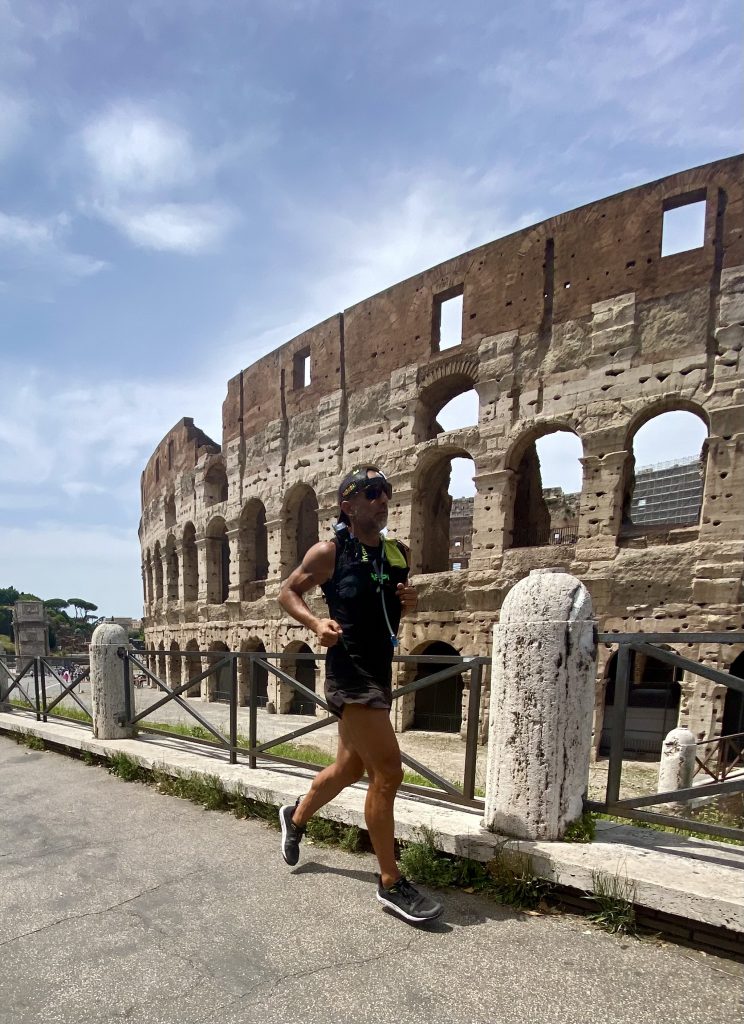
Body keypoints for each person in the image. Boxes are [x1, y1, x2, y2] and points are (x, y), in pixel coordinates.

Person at [277, 466, 443, 923]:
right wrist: (314, 624)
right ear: (348, 506)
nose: (383, 499)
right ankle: (390, 882)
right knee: (388, 772)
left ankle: (295, 816)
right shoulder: (329, 553)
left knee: (350, 767)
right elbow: (287, 592)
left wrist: (409, 603)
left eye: (386, 492)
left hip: (378, 671)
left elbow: (392, 615)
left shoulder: (397, 554)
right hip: (348, 675)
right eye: (371, 493)